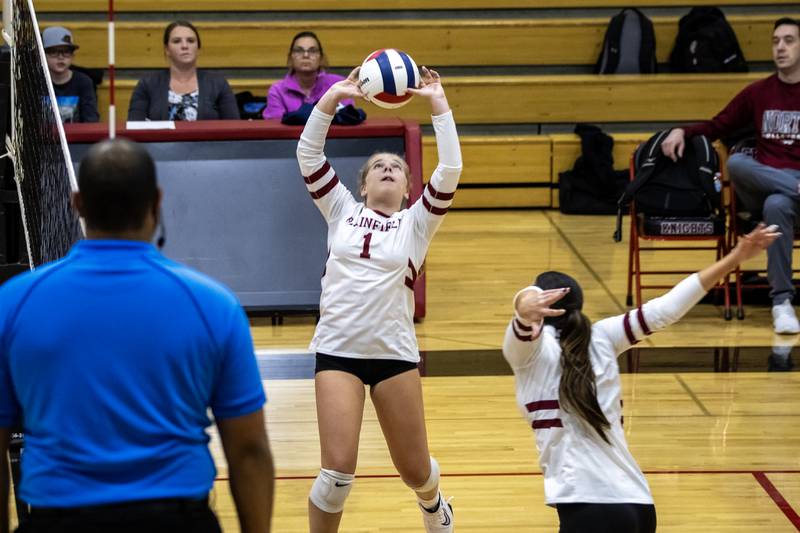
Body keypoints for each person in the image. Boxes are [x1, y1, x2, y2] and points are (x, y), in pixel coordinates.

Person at [0, 139, 273, 533]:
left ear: (77, 203)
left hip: (58, 518)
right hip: (176, 519)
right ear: (157, 200)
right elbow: (248, 449)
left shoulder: (14, 302)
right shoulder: (212, 305)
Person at [502, 223, 780, 533]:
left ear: (542, 312)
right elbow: (668, 308)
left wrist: (522, 305)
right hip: (640, 506)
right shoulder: (602, 336)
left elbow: (524, 314)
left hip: (590, 509)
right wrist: (735, 257)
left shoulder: (530, 354)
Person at [296, 66, 460, 533]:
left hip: (394, 355)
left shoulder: (418, 222)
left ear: (409, 189)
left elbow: (450, 170)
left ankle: (433, 505)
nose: (388, 170)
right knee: (336, 473)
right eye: (378, 168)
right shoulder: (341, 209)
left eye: (397, 168)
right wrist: (333, 97)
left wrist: (438, 104)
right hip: (338, 352)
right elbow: (308, 153)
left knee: (415, 471)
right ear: (363, 185)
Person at [661, 17, 800, 334]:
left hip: (785, 203)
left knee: (778, 205)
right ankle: (781, 303)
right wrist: (683, 130)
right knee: (737, 163)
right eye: (776, 41)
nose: (780, 47)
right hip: (763, 183)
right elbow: (717, 126)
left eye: (789, 40)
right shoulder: (759, 93)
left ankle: (781, 302)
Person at [128, 20, 240, 121]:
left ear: (198, 48)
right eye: (177, 41)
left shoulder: (218, 83)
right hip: (161, 144)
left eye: (190, 41)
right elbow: (134, 127)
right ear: (167, 50)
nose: (185, 46)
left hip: (208, 144)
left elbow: (234, 129)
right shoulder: (147, 84)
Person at [263, 31, 353, 121]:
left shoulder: (338, 85)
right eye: (299, 50)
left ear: (321, 58)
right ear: (290, 58)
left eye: (312, 51)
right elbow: (276, 128)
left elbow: (348, 119)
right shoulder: (277, 91)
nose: (306, 55)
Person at [42, 26, 99, 123]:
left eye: (66, 52)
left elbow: (91, 122)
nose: (61, 57)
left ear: (73, 56)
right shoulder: (34, 82)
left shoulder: (84, 82)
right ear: (42, 55)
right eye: (53, 52)